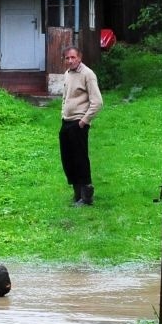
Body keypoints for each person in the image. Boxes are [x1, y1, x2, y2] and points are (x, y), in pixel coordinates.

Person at [59, 45, 103, 206]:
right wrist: (63, 115)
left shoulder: (88, 74)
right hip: (66, 122)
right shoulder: (67, 74)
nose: (70, 60)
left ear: (80, 57)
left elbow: (97, 102)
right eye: (67, 58)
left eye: (73, 57)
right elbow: (65, 97)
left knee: (80, 159)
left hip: (79, 123)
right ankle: (77, 194)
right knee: (68, 159)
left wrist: (84, 121)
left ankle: (86, 197)